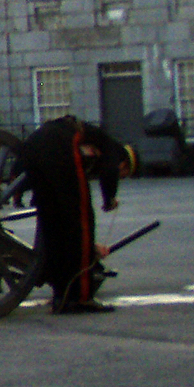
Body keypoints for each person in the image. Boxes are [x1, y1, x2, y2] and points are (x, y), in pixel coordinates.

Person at [18, 115, 135, 314]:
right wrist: (109, 199)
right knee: (81, 224)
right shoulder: (113, 148)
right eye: (123, 174)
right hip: (63, 146)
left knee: (53, 227)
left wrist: (18, 189)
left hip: (37, 144)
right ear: (125, 164)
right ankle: (80, 297)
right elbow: (109, 169)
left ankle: (60, 295)